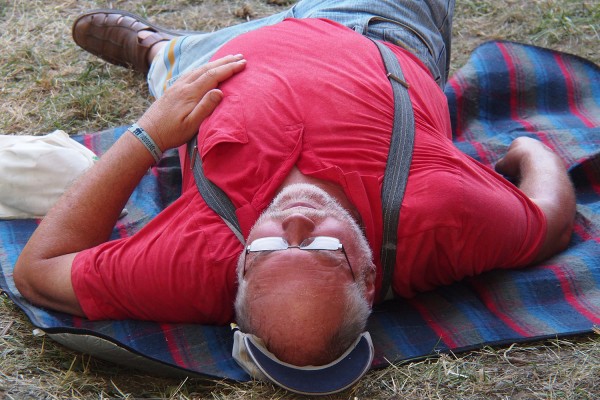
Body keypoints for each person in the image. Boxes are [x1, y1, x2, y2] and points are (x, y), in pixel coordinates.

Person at [13, 0, 576, 395]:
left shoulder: (195, 267)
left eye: (265, 252)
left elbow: (37, 272)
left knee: (174, 68)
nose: (297, 225)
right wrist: (525, 150)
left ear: (238, 274)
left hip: (212, 67)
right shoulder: (445, 219)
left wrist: (149, 134)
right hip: (373, 25)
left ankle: (158, 50)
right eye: (325, 249)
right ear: (369, 277)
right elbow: (548, 221)